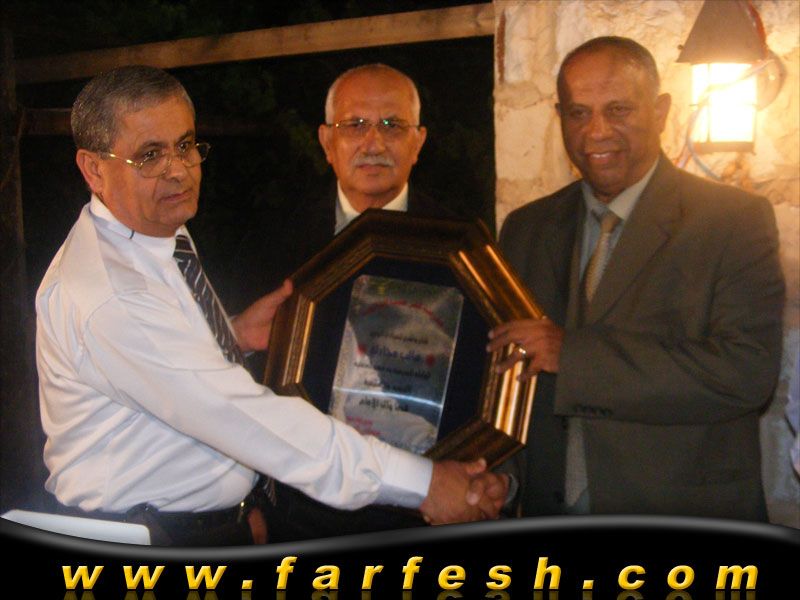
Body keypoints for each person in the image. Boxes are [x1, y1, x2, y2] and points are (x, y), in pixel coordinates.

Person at [35, 65, 507, 546]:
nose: (177, 169)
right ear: (94, 169)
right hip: (148, 538)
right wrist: (426, 484)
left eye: (185, 145)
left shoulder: (157, 233)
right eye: (149, 155)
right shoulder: (115, 294)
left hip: (204, 526)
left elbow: (170, 371)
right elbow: (245, 419)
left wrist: (233, 334)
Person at [487, 36, 785, 520]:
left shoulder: (732, 221)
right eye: (578, 113)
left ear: (661, 111)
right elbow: (510, 378)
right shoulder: (525, 228)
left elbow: (746, 373)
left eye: (618, 110)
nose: (596, 132)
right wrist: (505, 477)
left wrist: (572, 356)